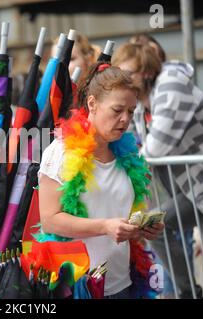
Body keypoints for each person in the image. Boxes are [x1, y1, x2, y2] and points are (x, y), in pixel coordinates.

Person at [113, 42, 203, 298]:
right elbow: (135, 143)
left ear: (145, 72)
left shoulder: (171, 86)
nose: (124, 81)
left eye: (129, 74)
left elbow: (155, 148)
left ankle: (188, 293)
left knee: (150, 225)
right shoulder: (142, 103)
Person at [37, 63, 164, 298]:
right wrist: (104, 227)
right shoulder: (61, 152)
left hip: (122, 281)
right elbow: (50, 220)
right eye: (117, 110)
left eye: (131, 111)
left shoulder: (126, 155)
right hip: (79, 285)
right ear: (92, 104)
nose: (125, 119)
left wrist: (140, 228)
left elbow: (121, 214)